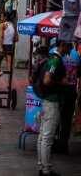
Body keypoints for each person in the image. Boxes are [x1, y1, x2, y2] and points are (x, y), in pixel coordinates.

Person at [36, 41, 71, 176]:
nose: (71, 48)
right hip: (52, 102)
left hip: (47, 101)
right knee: (47, 137)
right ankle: (46, 170)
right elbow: (47, 80)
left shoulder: (51, 59)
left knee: (42, 136)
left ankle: (42, 167)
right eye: (69, 45)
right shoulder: (55, 61)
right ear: (62, 45)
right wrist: (61, 82)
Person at [53, 43, 80, 154]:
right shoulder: (77, 56)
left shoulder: (57, 52)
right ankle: (63, 144)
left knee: (56, 116)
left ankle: (54, 142)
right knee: (67, 119)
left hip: (60, 90)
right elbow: (79, 73)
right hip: (71, 90)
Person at [0, 11, 18, 88]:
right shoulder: (13, 25)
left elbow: (1, 37)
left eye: (2, 16)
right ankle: (9, 84)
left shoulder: (2, 25)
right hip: (10, 46)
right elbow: (16, 38)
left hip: (3, 46)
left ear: (5, 17)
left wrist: (0, 47)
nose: (1, 18)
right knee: (9, 66)